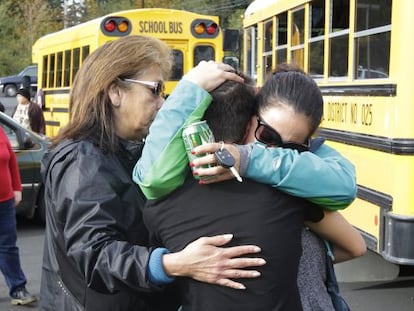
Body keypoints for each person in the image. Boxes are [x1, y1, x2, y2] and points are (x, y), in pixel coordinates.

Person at [38, 36, 266, 311]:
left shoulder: (118, 150)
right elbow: (94, 254)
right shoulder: (83, 159)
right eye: (155, 90)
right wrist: (175, 264)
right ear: (115, 92)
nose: (161, 103)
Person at [134, 63, 365, 310]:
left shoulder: (291, 180)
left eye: (292, 149)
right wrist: (190, 90)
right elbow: (152, 177)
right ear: (250, 114)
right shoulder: (286, 191)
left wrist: (248, 159)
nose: (274, 151)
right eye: (267, 136)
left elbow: (344, 191)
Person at [0, 126, 37, 306]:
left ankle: (18, 289)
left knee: (8, 248)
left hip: (5, 201)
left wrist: (17, 187)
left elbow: (11, 160)